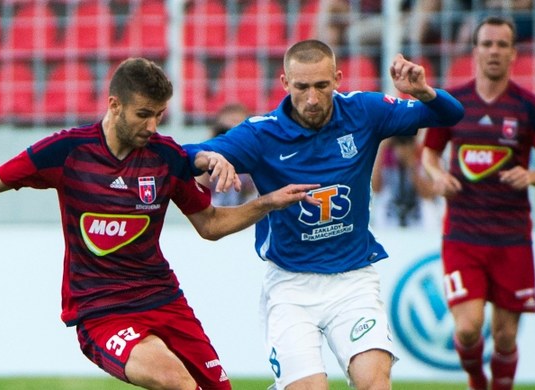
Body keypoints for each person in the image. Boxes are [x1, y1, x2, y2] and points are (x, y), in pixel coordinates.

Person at [0, 57, 319, 390]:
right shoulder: (66, 152)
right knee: (176, 382)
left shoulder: (166, 157)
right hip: (101, 311)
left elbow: (211, 224)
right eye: (143, 115)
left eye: (159, 115)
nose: (152, 126)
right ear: (114, 104)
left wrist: (268, 203)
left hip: (164, 299)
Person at [184, 39, 464, 389]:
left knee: (375, 383)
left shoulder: (364, 112)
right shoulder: (260, 133)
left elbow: (451, 114)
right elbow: (186, 154)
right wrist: (211, 157)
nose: (312, 98)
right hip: (290, 285)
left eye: (321, 85)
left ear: (338, 78)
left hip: (353, 280)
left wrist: (423, 91)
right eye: (301, 87)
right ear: (285, 84)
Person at [420, 16, 535, 390]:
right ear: (475, 51)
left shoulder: (530, 107)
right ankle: (475, 380)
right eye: (487, 44)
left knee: (504, 338)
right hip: (462, 235)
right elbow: (429, 154)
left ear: (514, 53)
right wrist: (438, 177)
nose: (494, 51)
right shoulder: (452, 105)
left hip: (512, 238)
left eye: (502, 45)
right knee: (468, 329)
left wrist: (531, 176)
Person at [197, 103, 258, 206]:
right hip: (215, 209)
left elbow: (256, 189)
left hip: (247, 209)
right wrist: (212, 144)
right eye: (227, 130)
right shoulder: (210, 152)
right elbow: (199, 187)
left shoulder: (254, 151)